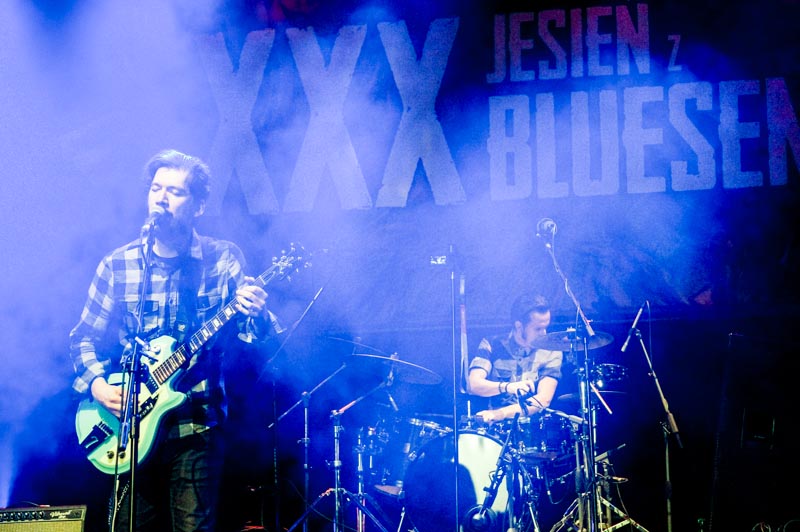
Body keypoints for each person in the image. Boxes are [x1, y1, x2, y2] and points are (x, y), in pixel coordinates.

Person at [69, 149, 281, 532]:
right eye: (156, 189)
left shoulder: (222, 259)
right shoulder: (118, 264)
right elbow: (83, 338)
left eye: (175, 191)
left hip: (195, 427)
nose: (162, 199)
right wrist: (98, 386)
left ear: (198, 206)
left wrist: (257, 312)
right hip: (130, 428)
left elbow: (254, 336)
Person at [467, 294, 562, 423]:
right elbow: (473, 384)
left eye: (546, 327)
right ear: (519, 326)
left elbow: (544, 399)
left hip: (533, 427)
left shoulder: (551, 350)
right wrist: (507, 387)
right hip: (497, 427)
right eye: (538, 329)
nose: (543, 333)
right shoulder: (492, 344)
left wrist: (501, 413)